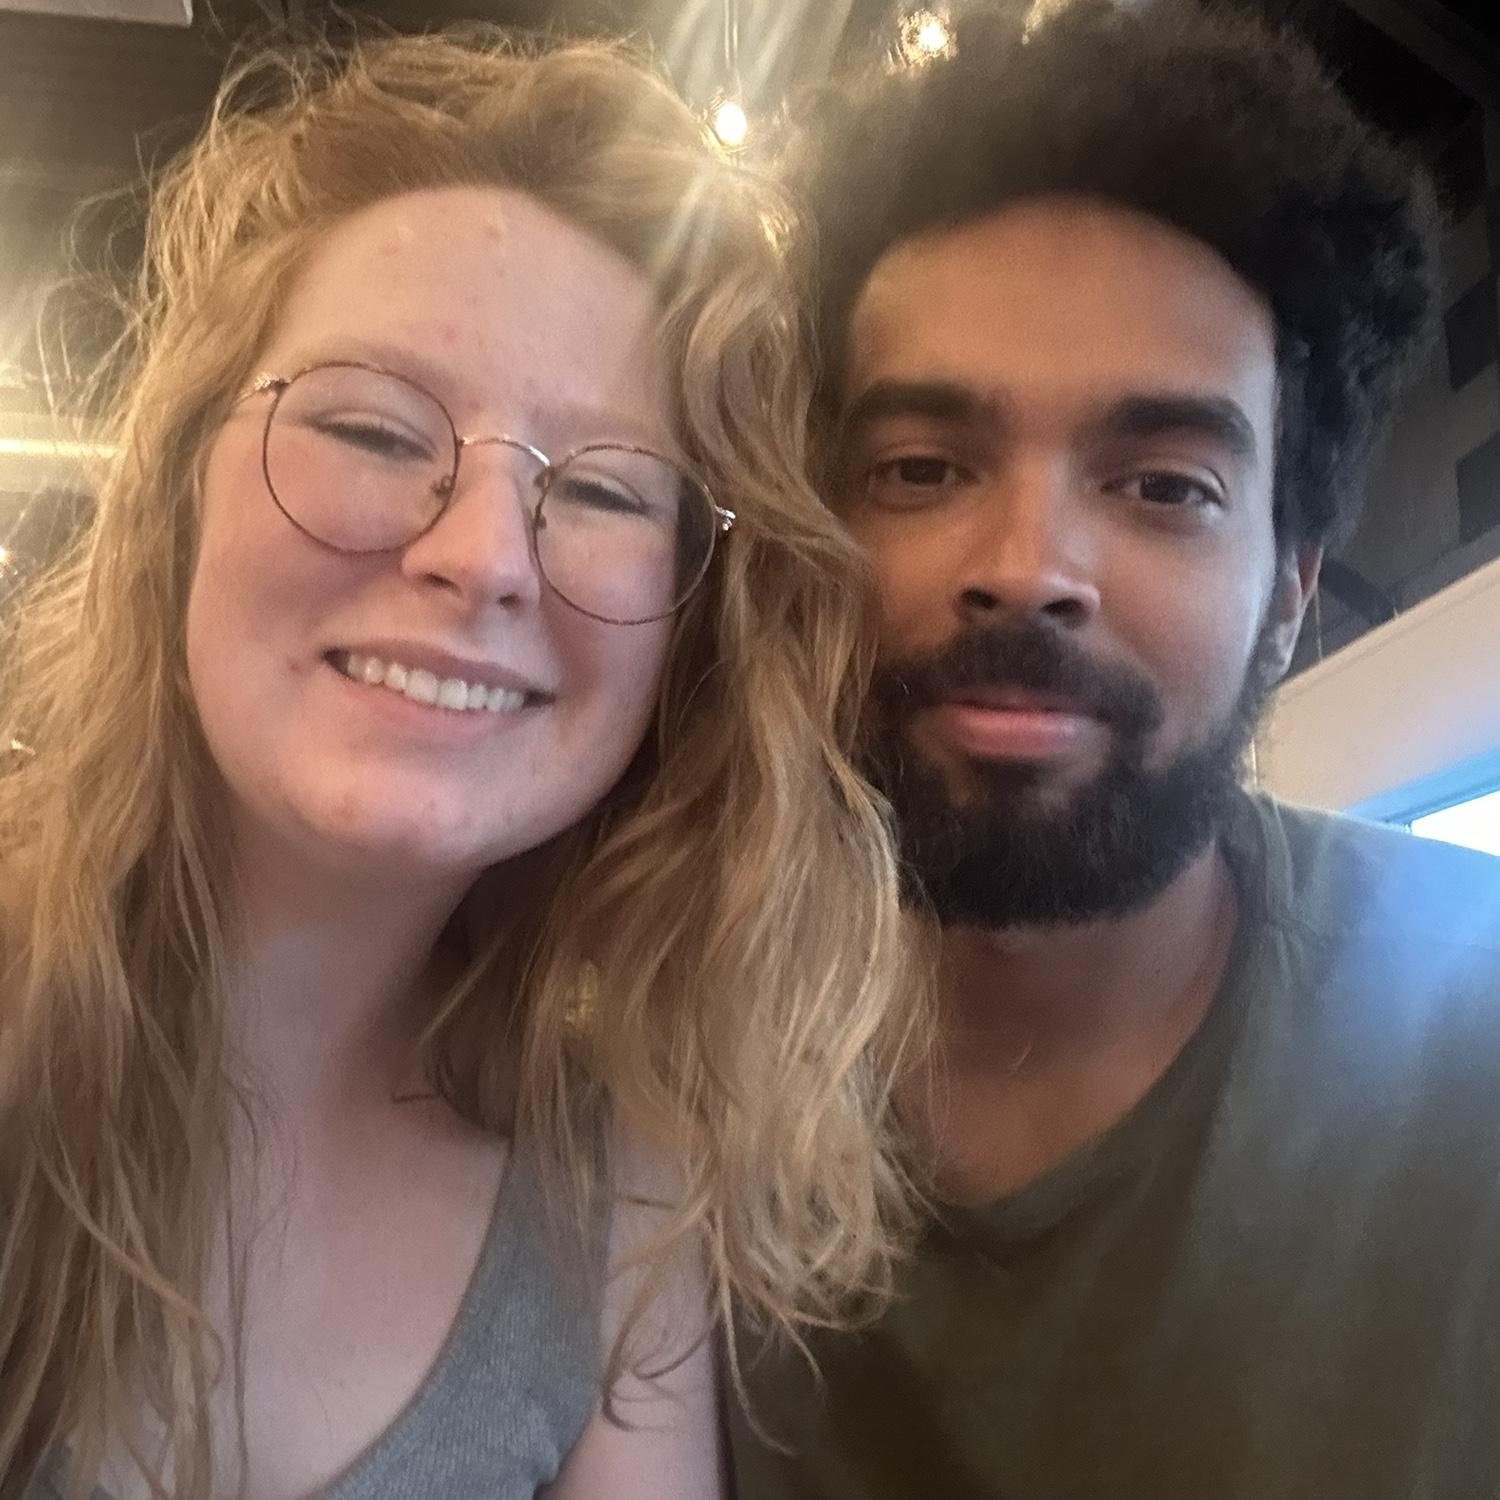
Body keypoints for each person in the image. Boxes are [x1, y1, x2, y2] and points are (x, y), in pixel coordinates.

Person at [0, 29, 919, 1500]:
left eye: (607, 491)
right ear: (179, 492)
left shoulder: (621, 1197)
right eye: (371, 428)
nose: (485, 553)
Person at [728, 2, 1500, 1495]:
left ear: (1288, 596)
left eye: (1163, 487)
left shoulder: (1473, 1044)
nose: (1029, 567)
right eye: (920, 468)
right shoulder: (631, 1065)